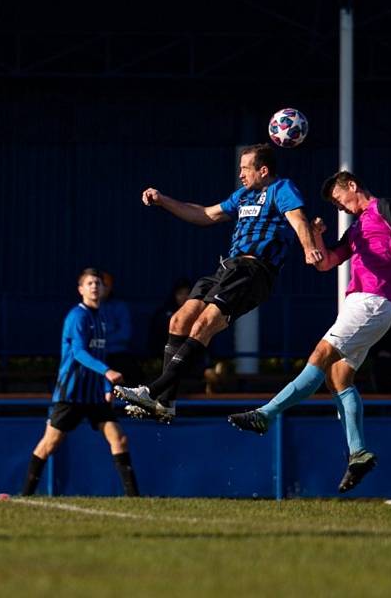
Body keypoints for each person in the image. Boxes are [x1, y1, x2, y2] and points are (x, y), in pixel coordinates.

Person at [228, 171, 391, 493]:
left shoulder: (384, 207)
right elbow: (327, 262)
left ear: (353, 186)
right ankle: (358, 453)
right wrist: (316, 237)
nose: (339, 207)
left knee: (319, 355)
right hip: (362, 305)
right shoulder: (356, 228)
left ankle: (266, 413)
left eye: (339, 199)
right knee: (338, 379)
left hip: (372, 301)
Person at [115, 143, 323, 422]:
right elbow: (205, 214)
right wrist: (163, 200)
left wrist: (309, 247)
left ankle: (152, 392)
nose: (241, 175)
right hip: (227, 268)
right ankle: (165, 403)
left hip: (253, 269)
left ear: (263, 170)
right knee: (179, 320)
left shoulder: (282, 188)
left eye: (245, 169)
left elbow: (298, 220)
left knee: (203, 325)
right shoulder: (243, 196)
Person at [21, 268, 139, 497]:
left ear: (105, 289)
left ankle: (135, 498)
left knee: (119, 438)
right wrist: (107, 372)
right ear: (81, 289)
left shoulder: (102, 317)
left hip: (94, 395)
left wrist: (106, 387)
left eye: (98, 283)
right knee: (49, 444)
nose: (95, 286)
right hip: (72, 393)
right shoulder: (78, 316)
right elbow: (78, 352)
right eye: (90, 283)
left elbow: (102, 353)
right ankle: (24, 495)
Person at [100, 271, 141, 386]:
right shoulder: (83, 311)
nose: (101, 288)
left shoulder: (120, 307)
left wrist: (101, 339)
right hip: (94, 355)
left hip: (117, 355)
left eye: (105, 285)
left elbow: (125, 335)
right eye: (99, 284)